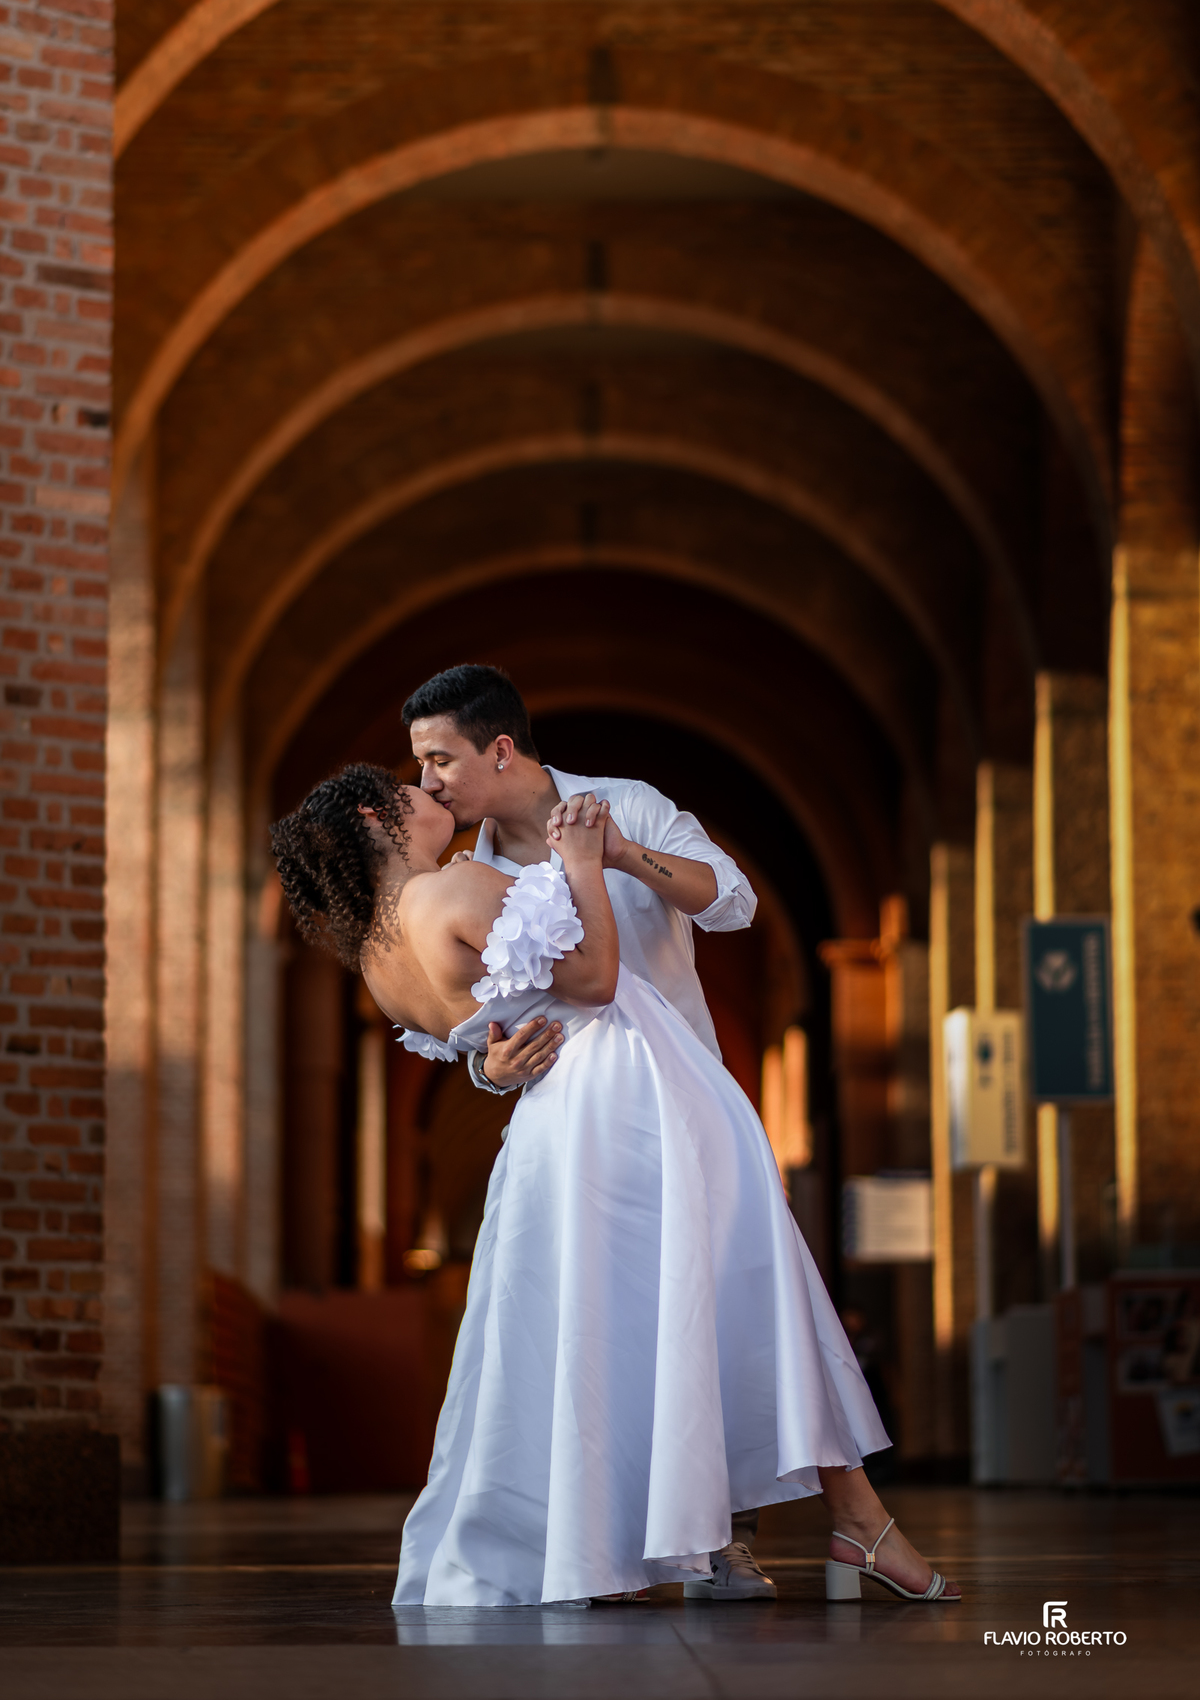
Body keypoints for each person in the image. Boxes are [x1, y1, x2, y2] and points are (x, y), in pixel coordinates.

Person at [270, 765, 959, 1610]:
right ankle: (838, 1519)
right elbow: (594, 981)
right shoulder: (454, 890)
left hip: (552, 1130)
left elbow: (479, 1041)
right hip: (627, 1096)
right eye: (410, 784)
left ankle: (637, 1540)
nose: (430, 791)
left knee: (607, 1331)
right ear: (380, 817)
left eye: (436, 766)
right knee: (739, 1289)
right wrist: (586, 865)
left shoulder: (378, 960)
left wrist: (489, 1064)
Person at [401, 663, 770, 1596]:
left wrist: (614, 856)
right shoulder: (468, 875)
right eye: (420, 766)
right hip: (575, 1133)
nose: (430, 781)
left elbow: (734, 902)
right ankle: (611, 1540)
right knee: (608, 1337)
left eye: (440, 759)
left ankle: (720, 1537)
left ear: (501, 747)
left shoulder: (626, 802)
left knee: (706, 1320)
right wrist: (488, 1069)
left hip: (683, 1108)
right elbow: (479, 1024)